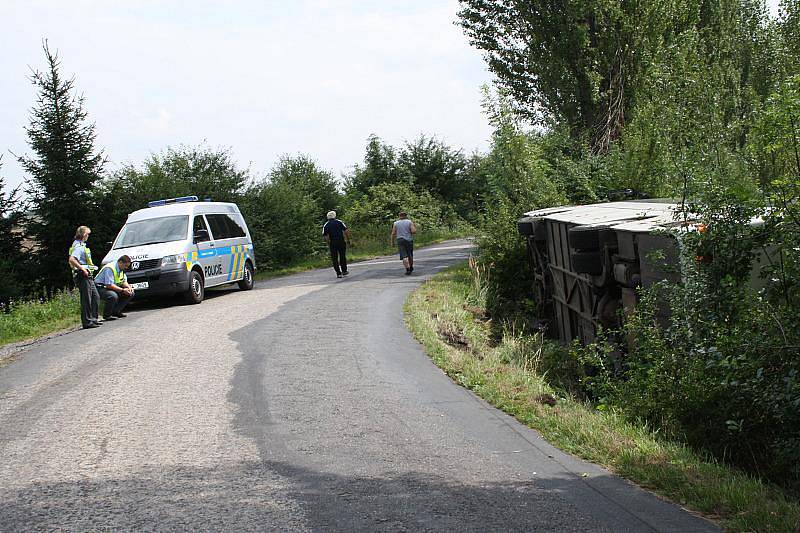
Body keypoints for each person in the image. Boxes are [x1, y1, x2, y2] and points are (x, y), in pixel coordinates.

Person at [68, 225, 101, 329]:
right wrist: (82, 268)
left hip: (88, 274)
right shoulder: (78, 246)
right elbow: (72, 259)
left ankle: (93, 319)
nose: (88, 236)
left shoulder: (81, 245)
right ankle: (87, 322)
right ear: (83, 234)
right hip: (82, 275)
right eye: (87, 234)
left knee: (95, 297)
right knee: (86, 299)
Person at [95, 255, 135, 320]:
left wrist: (129, 287)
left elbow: (123, 281)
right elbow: (109, 285)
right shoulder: (110, 268)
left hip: (110, 287)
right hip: (100, 288)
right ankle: (107, 315)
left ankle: (116, 311)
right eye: (125, 266)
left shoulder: (120, 268)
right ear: (120, 262)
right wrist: (122, 290)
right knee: (113, 295)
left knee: (130, 293)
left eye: (127, 266)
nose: (126, 268)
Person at [323, 210, 352, 278]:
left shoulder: (326, 225)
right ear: (334, 216)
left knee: (334, 258)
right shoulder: (339, 222)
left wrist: (329, 243)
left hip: (333, 243)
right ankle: (344, 271)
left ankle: (338, 273)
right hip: (341, 241)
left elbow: (326, 236)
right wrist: (348, 239)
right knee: (342, 256)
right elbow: (346, 231)